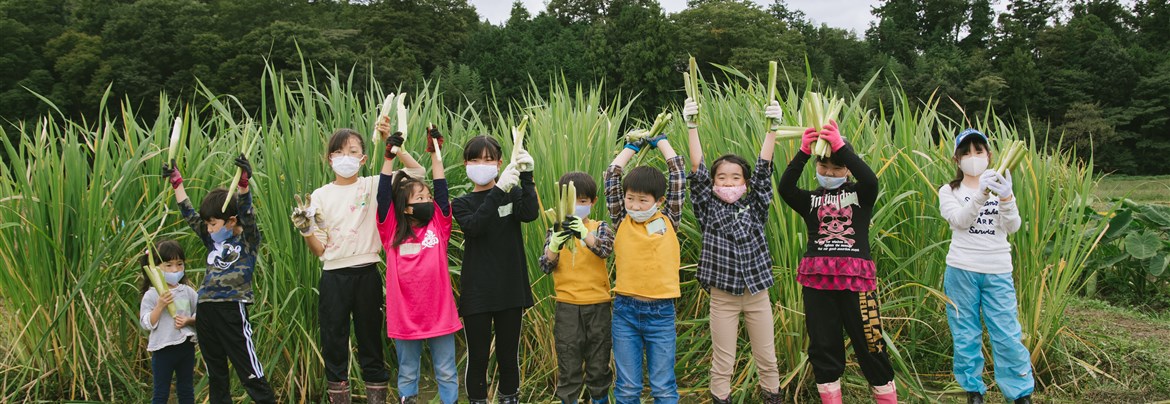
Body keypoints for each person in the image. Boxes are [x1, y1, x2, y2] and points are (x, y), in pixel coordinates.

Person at [289, 118, 425, 404]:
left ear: (363, 158)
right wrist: (305, 231)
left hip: (367, 274)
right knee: (333, 342)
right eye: (339, 152)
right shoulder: (320, 196)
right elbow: (319, 248)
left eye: (352, 152)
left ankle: (376, 397)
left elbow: (417, 172)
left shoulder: (375, 185)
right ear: (329, 159)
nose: (345, 158)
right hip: (333, 276)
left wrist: (394, 147)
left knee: (370, 341)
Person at [777, 122, 897, 404]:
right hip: (818, 281)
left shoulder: (861, 195)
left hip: (857, 282)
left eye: (838, 167)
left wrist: (842, 148)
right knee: (824, 347)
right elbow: (785, 187)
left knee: (871, 343)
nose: (830, 173)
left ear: (847, 169)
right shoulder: (809, 200)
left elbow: (871, 180)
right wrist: (804, 152)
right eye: (824, 167)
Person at [683, 98, 782, 404]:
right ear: (713, 183)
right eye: (721, 177)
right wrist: (692, 127)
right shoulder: (707, 207)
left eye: (736, 177)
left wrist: (772, 130)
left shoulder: (755, 205)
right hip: (722, 296)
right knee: (723, 361)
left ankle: (773, 397)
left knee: (767, 358)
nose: (728, 182)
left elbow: (765, 173)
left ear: (745, 182)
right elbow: (697, 171)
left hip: (757, 294)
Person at [163, 154, 276, 404]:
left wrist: (244, 185)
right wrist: (176, 182)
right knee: (217, 374)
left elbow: (248, 215)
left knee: (249, 370)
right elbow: (189, 214)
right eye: (208, 225)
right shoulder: (212, 239)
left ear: (231, 220)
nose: (209, 229)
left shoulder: (247, 240)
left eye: (213, 224)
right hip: (206, 311)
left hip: (231, 309)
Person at [938, 128, 1033, 404]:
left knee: (1007, 334)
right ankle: (973, 391)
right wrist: (981, 195)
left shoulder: (1001, 184)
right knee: (965, 333)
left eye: (978, 151)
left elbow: (1012, 226)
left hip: (998, 270)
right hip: (961, 269)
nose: (973, 157)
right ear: (957, 160)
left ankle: (1019, 394)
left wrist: (1006, 197)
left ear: (989, 155)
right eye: (966, 152)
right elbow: (960, 221)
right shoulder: (949, 190)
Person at [451, 135, 539, 404]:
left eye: (489, 159)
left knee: (508, 353)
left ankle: (509, 398)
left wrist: (527, 177)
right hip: (477, 290)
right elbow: (476, 226)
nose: (482, 164)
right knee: (477, 356)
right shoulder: (462, 203)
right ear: (466, 164)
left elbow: (530, 214)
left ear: (500, 163)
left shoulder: (512, 193)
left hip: (510, 287)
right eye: (475, 159)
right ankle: (477, 400)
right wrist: (498, 190)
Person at [377, 126, 462, 404]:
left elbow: (441, 190)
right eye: (419, 199)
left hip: (440, 315)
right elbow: (383, 199)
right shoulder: (391, 231)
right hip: (406, 317)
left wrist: (436, 155)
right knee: (408, 373)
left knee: (447, 372)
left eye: (427, 198)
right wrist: (389, 157)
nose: (427, 202)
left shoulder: (438, 225)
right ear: (404, 206)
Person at [605, 129, 685, 404]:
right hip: (625, 311)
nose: (635, 205)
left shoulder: (669, 218)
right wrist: (631, 147)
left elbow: (677, 173)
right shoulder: (620, 219)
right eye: (630, 198)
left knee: (663, 386)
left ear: (659, 201)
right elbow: (611, 175)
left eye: (643, 200)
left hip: (661, 313)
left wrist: (662, 141)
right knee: (627, 388)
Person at [538, 172, 614, 404]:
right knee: (569, 362)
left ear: (593, 202)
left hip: (598, 306)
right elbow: (546, 266)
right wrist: (553, 245)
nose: (578, 206)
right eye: (572, 201)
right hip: (568, 307)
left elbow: (605, 250)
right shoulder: (555, 230)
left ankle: (599, 398)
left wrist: (584, 235)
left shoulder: (600, 227)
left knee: (599, 362)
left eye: (583, 201)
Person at [138, 240, 197, 404]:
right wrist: (160, 306)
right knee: (161, 392)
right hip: (163, 349)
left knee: (186, 390)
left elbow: (203, 314)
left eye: (179, 264)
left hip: (186, 347)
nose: (175, 269)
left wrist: (188, 320)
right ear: (156, 268)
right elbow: (146, 322)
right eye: (169, 265)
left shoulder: (187, 292)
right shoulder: (152, 295)